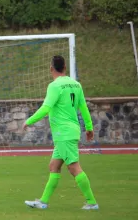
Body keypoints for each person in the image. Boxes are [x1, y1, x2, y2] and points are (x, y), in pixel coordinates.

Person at [23, 55, 98, 210]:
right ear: (65, 67)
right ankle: (43, 202)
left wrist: (28, 121)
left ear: (51, 69)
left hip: (63, 133)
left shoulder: (54, 86)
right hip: (71, 131)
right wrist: (89, 127)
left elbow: (46, 108)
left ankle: (92, 202)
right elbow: (83, 107)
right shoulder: (76, 85)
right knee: (53, 166)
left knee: (73, 167)